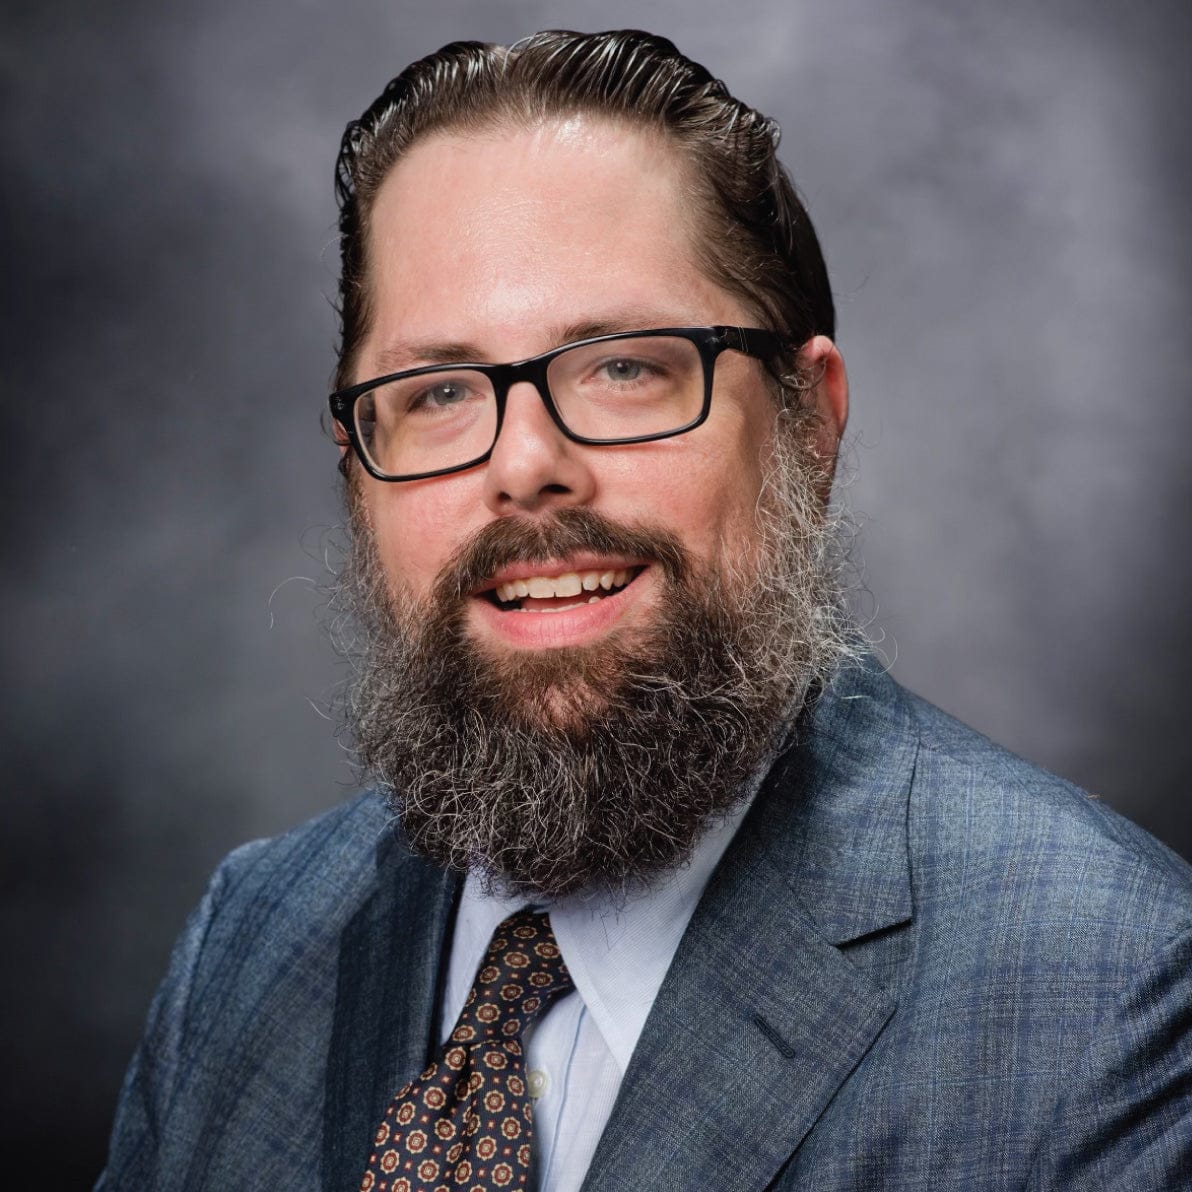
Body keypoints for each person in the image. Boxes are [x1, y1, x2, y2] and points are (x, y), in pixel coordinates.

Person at [97, 29, 1192, 1192]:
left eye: (624, 367)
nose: (525, 466)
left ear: (808, 422)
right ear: (356, 464)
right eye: (440, 391)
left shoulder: (1109, 993)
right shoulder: (249, 936)